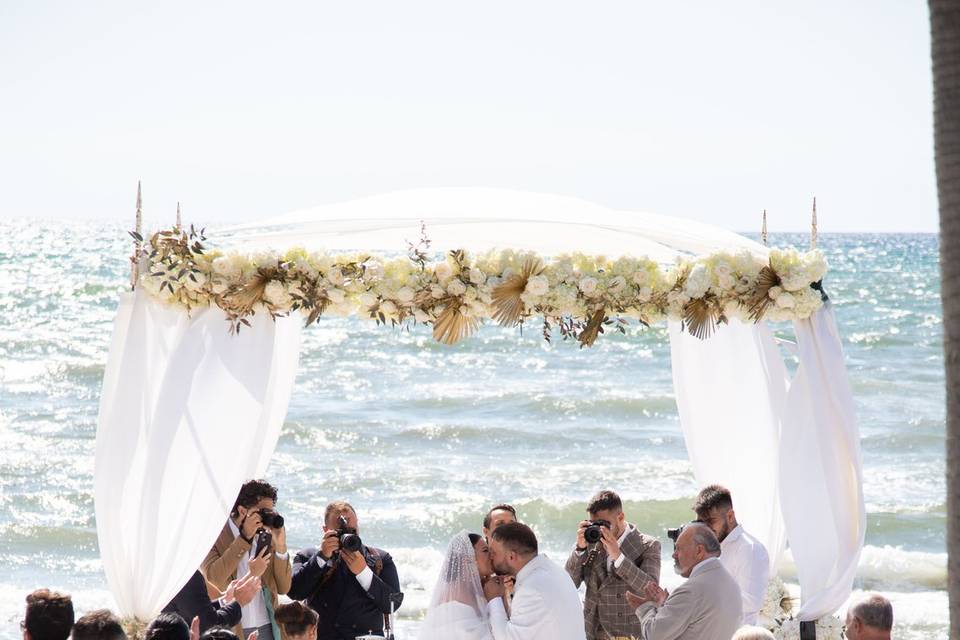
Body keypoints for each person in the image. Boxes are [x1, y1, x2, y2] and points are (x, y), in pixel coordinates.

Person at [288, 501, 403, 640]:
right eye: (340, 533)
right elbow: (294, 591)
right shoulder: (307, 556)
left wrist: (364, 572)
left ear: (358, 524)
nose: (347, 537)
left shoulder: (380, 560)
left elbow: (392, 604)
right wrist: (322, 556)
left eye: (352, 531)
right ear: (326, 530)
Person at [565, 490, 661, 640]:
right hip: (593, 632)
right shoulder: (590, 542)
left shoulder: (648, 545)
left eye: (604, 524)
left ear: (621, 517)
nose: (599, 529)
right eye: (594, 524)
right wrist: (579, 549)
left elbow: (651, 591)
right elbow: (569, 584)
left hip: (630, 634)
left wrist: (618, 557)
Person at [203, 479, 292, 640]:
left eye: (270, 512)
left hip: (267, 626)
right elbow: (214, 578)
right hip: (233, 626)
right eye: (263, 512)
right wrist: (244, 538)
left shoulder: (266, 535)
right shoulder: (213, 533)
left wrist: (280, 547)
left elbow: (283, 588)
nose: (267, 518)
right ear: (243, 511)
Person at [625, 523, 741, 640]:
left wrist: (645, 607)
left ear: (699, 551)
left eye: (678, 548)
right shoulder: (730, 582)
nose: (673, 554)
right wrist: (666, 605)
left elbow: (653, 635)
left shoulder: (691, 591)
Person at [483, 522, 586, 640]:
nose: (490, 557)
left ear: (512, 557)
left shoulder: (531, 589)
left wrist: (494, 599)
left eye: (494, 553)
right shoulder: (552, 569)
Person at [693, 485, 769, 625]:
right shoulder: (711, 547)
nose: (705, 529)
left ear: (730, 516)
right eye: (700, 523)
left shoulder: (749, 548)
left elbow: (752, 601)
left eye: (710, 521)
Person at [420, 531, 496, 640]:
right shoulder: (454, 602)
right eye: (485, 551)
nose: (491, 556)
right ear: (467, 560)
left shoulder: (481, 592)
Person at [163, 568, 260, 633]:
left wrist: (225, 600)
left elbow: (195, 610)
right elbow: (209, 625)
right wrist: (238, 602)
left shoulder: (168, 569)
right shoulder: (184, 574)